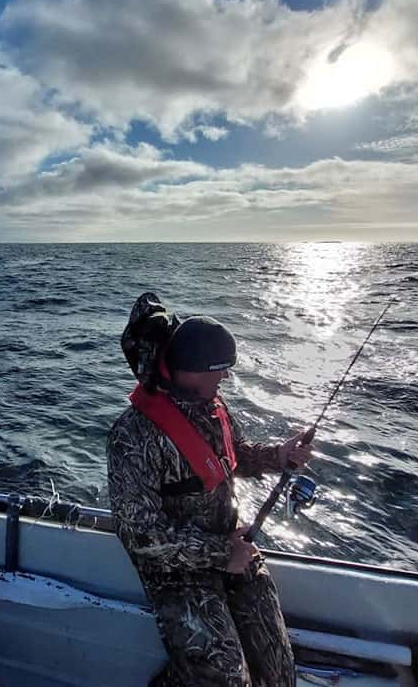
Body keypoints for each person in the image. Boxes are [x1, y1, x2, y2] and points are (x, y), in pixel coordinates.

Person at [107, 293, 314, 687]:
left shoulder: (212, 405)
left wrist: (279, 456)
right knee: (224, 677)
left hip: (231, 550)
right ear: (190, 371)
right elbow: (139, 534)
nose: (225, 380)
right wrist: (220, 553)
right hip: (176, 573)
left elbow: (235, 457)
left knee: (278, 668)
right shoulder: (130, 436)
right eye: (220, 371)